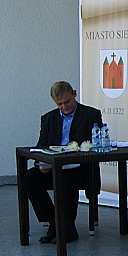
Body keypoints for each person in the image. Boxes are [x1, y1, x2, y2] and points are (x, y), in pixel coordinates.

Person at [24, 80, 103, 245]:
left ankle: (63, 227)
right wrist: (41, 163)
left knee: (66, 176)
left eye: (67, 102)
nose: (64, 107)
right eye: (59, 104)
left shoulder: (91, 115)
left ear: (74, 94)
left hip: (79, 168)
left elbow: (96, 143)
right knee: (28, 178)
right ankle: (57, 222)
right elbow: (41, 146)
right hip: (54, 167)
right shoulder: (49, 118)